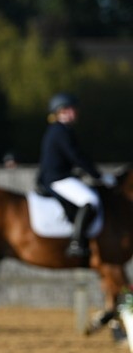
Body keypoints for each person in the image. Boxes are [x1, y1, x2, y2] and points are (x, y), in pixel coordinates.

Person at [36, 92, 111, 259]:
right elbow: (76, 156)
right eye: (70, 109)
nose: (75, 112)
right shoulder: (60, 131)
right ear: (60, 111)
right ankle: (76, 242)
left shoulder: (60, 130)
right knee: (90, 200)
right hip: (58, 178)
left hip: (59, 176)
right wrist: (98, 175)